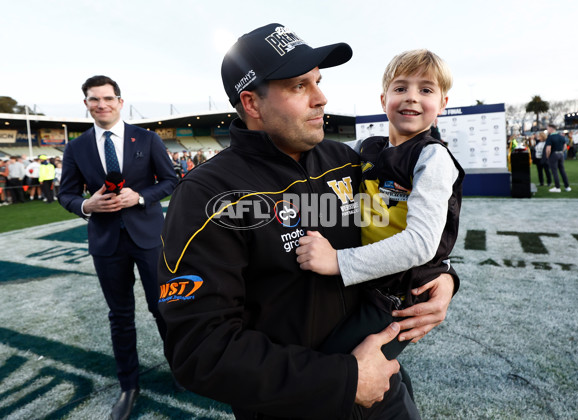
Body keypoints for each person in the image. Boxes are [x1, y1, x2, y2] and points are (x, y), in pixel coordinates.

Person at [158, 23, 456, 420]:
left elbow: (413, 228)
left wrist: (447, 279)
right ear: (251, 103)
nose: (322, 98)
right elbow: (200, 352)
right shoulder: (207, 196)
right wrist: (346, 379)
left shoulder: (346, 162)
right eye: (300, 86)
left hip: (386, 391)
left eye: (318, 81)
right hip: (300, 407)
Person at [296, 49, 463, 360]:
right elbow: (316, 152)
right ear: (383, 99)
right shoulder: (367, 148)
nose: (412, 97)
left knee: (336, 365)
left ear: (442, 104)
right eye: (401, 88)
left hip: (399, 295)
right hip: (370, 284)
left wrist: (338, 261)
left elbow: (421, 245)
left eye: (425, 90)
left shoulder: (432, 157)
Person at [58, 75, 178, 420]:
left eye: (108, 98)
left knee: (164, 308)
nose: (101, 104)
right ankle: (129, 385)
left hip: (149, 237)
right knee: (120, 316)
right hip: (106, 241)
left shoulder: (148, 138)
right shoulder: (76, 147)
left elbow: (170, 180)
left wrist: (140, 196)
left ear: (120, 101)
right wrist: (86, 206)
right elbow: (65, 193)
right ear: (86, 104)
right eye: (93, 99)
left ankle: (180, 368)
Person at [545, 124, 571, 193]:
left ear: (551, 128)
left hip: (553, 155)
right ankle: (567, 186)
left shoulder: (550, 137)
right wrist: (561, 152)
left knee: (554, 171)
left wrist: (547, 156)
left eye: (547, 128)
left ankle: (557, 187)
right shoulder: (561, 136)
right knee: (562, 171)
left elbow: (548, 149)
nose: (547, 130)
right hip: (560, 154)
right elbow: (565, 146)